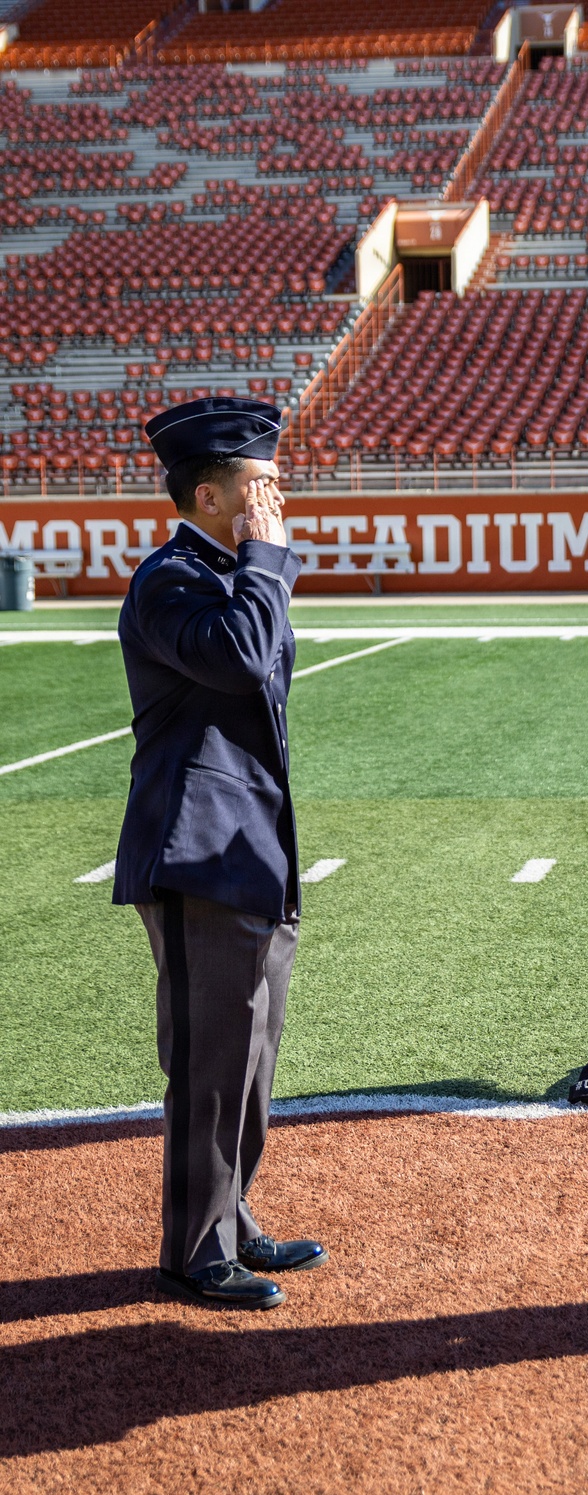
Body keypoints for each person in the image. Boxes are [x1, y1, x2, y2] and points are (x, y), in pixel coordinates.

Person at [113, 396, 327, 1311]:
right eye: (261, 486)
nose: (276, 500)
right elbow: (242, 659)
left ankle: (232, 1217)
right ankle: (195, 1248)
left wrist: (259, 565)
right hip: (197, 853)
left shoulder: (230, 571)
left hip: (248, 847)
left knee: (253, 1053)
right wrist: (265, 560)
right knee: (209, 1061)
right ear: (209, 495)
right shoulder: (172, 580)